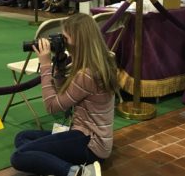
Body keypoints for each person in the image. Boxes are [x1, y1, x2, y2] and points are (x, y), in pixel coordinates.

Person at [10, 13, 117, 176]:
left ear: (79, 41)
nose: (62, 41)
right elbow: (64, 94)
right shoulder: (100, 62)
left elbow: (52, 106)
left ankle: (76, 172)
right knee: (23, 137)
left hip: (90, 144)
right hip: (87, 135)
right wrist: (59, 65)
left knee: (19, 156)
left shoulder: (87, 74)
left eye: (65, 38)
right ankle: (56, 164)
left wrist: (45, 65)